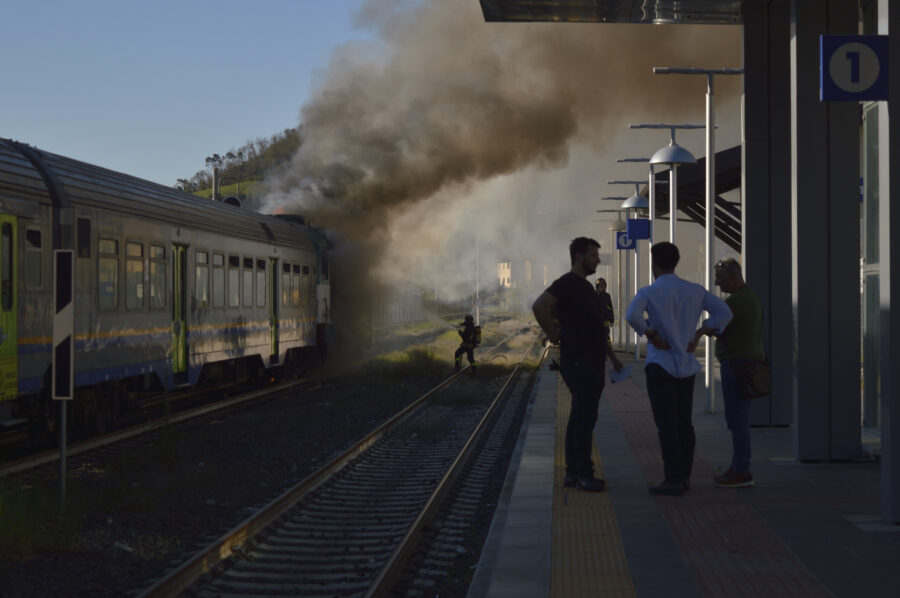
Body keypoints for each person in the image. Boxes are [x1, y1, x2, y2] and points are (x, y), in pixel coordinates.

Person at [626, 242, 732, 496]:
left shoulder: (648, 292)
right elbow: (724, 312)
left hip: (660, 365)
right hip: (685, 367)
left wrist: (650, 333)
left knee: (666, 425)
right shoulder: (695, 290)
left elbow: (632, 315)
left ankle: (672, 478)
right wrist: (700, 332)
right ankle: (684, 476)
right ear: (676, 262)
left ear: (655, 264)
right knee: (685, 423)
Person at [532, 237, 624, 492]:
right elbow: (539, 306)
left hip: (591, 361)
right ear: (579, 256)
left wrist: (613, 358)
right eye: (594, 255)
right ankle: (583, 473)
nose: (598, 260)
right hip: (579, 361)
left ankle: (573, 472)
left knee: (580, 417)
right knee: (584, 419)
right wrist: (553, 335)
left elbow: (597, 330)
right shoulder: (568, 284)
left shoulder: (587, 288)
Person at [712, 258, 765, 488]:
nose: (717, 283)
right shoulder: (747, 296)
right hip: (742, 361)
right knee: (738, 418)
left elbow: (715, 325)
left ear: (733, 278)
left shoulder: (736, 302)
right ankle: (738, 466)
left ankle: (741, 469)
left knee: (737, 419)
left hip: (738, 364)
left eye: (721, 279)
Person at [596, 278, 615, 346]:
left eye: (603, 285)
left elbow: (610, 308)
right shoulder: (594, 295)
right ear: (597, 286)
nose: (602, 287)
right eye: (600, 286)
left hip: (605, 320)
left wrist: (611, 320)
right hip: (596, 321)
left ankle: (608, 349)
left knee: (606, 336)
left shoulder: (607, 296)